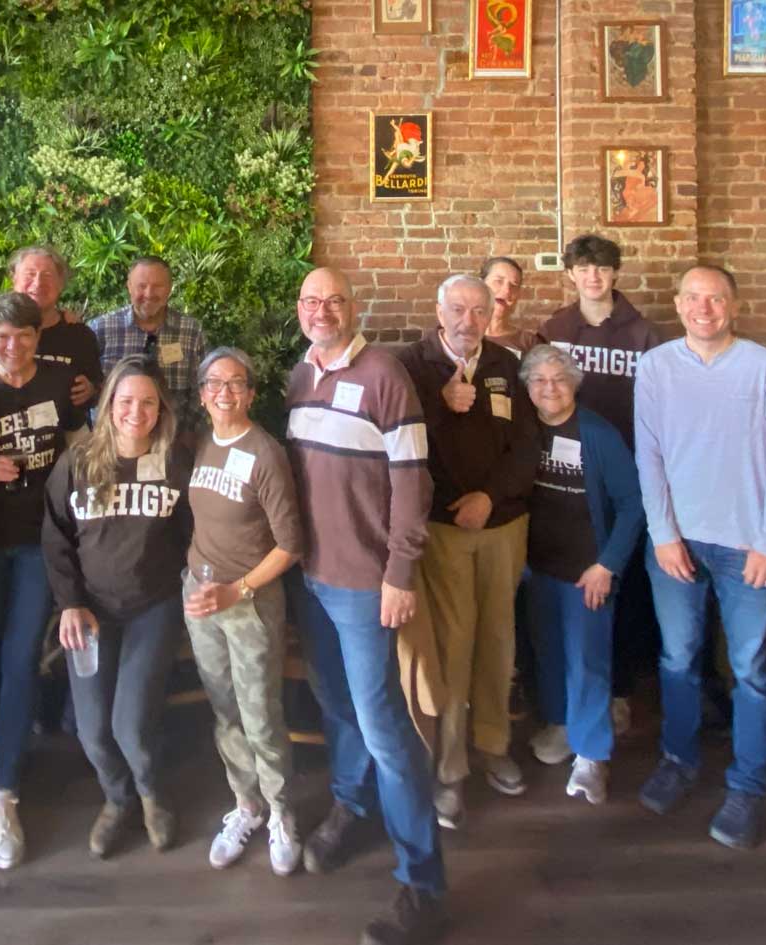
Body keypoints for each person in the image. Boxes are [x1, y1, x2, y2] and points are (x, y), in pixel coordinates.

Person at [285, 267, 447, 945]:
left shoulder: (385, 377)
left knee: (383, 722)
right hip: (311, 579)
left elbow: (414, 482)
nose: (323, 310)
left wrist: (399, 573)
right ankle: (352, 804)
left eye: (335, 300)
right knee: (337, 704)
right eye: (312, 301)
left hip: (364, 584)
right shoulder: (299, 375)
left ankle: (423, 880)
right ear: (300, 310)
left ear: (355, 309)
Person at [633, 264, 766, 850]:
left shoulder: (765, 368)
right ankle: (679, 758)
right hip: (677, 542)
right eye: (693, 298)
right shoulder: (655, 367)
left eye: (716, 298)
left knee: (752, 669)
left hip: (747, 546)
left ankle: (748, 783)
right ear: (677, 305)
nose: (704, 308)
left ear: (734, 305)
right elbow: (649, 456)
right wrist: (662, 534)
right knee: (677, 658)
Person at [394, 273, 540, 826]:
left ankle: (494, 747)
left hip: (503, 525)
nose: (468, 320)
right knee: (453, 647)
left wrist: (491, 496)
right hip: (443, 529)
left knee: (500, 641)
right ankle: (451, 771)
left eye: (479, 310)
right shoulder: (411, 364)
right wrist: (440, 405)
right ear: (438, 309)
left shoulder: (507, 364)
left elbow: (529, 445)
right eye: (458, 308)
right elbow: (398, 445)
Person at [43, 357, 193, 858]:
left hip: (154, 606)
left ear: (161, 407)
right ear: (108, 405)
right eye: (126, 401)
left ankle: (151, 796)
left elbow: (197, 532)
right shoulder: (79, 461)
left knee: (130, 724)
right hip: (90, 612)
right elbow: (56, 539)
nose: (137, 411)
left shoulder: (177, 459)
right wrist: (69, 604)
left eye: (148, 401)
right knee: (92, 730)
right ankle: (117, 798)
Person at [0, 291, 87, 870]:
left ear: (39, 338)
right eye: (3, 337)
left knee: (18, 658)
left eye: (25, 336)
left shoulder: (60, 386)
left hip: (40, 543)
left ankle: (4, 788)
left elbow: (78, 449)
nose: (13, 346)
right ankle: (5, 730)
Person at [534, 232, 664, 749]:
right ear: (570, 274)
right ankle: (560, 704)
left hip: (624, 467)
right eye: (583, 268)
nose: (593, 277)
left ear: (615, 274)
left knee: (623, 585)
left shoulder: (644, 333)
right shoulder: (554, 329)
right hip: (564, 476)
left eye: (603, 269)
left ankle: (620, 691)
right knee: (562, 589)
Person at [181, 347, 306, 875]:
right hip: (201, 598)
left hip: (249, 601)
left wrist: (239, 590)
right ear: (203, 394)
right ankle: (246, 805)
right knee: (225, 711)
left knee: (260, 715)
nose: (225, 392)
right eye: (215, 384)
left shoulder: (265, 452)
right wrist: (205, 585)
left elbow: (291, 544)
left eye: (236, 384)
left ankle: (281, 812)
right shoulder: (200, 444)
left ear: (251, 393)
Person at [518, 343, 644, 806]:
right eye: (539, 380)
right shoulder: (525, 429)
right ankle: (560, 725)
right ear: (528, 387)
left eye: (559, 378)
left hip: (587, 571)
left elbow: (633, 504)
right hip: (538, 569)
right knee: (548, 651)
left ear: (574, 382)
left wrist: (607, 565)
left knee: (587, 660)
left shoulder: (597, 433)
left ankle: (592, 754)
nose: (549, 388)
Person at [0, 245, 103, 416]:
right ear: (14, 279)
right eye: (30, 274)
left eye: (47, 275)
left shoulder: (79, 336)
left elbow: (97, 389)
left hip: (61, 436)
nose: (38, 283)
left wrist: (92, 391)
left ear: (61, 283)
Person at [88, 256, 211, 432]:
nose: (149, 293)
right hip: (113, 443)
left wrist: (187, 435)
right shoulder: (101, 329)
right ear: (129, 287)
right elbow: (87, 390)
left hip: (175, 442)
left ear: (169, 289)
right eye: (141, 286)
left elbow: (202, 387)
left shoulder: (190, 331)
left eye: (157, 286)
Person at [480, 256, 540, 355]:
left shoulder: (529, 342)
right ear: (481, 284)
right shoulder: (462, 335)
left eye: (514, 285)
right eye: (498, 281)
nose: (507, 291)